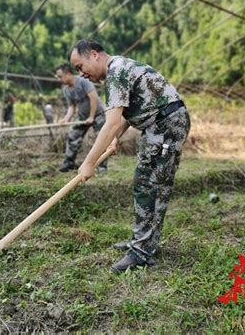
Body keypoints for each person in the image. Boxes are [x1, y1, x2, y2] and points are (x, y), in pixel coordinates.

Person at [68, 39, 190, 272]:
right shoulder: (119, 68)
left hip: (165, 125)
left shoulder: (116, 72)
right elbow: (125, 114)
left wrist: (89, 163)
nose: (82, 74)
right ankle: (145, 244)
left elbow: (111, 121)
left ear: (94, 54)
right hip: (164, 123)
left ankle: (140, 251)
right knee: (155, 184)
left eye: (80, 66)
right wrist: (116, 138)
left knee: (147, 184)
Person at [56, 63, 107, 173]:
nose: (59, 79)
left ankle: (102, 167)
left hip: (97, 114)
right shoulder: (66, 89)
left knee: (101, 140)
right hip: (82, 116)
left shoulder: (83, 81)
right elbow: (72, 107)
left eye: (60, 76)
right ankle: (69, 163)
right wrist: (66, 119)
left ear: (68, 74)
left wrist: (92, 117)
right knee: (73, 137)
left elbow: (93, 98)